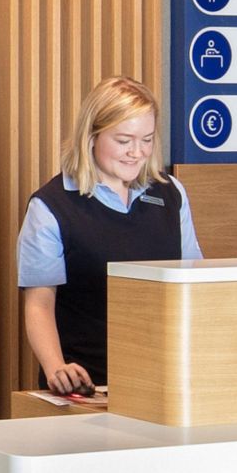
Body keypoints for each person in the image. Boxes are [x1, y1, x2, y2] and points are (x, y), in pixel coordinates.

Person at [17, 75, 200, 397]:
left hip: (164, 380)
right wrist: (56, 368)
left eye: (146, 140)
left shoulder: (172, 194)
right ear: (92, 136)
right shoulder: (50, 206)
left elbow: (194, 284)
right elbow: (40, 305)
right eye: (124, 140)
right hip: (89, 385)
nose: (137, 153)